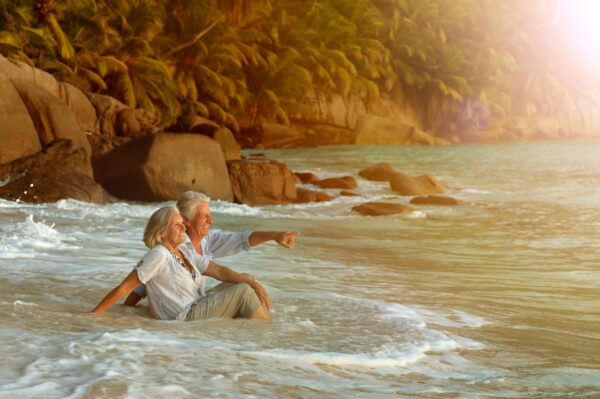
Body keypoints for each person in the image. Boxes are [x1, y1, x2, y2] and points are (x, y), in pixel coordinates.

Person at [123, 191, 299, 308]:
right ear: (187, 220)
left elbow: (240, 240)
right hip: (185, 312)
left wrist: (274, 236)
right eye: (205, 217)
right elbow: (145, 281)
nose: (211, 221)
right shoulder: (178, 248)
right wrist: (126, 310)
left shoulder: (206, 240)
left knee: (246, 281)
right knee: (245, 288)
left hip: (197, 301)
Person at [92, 206, 271, 320]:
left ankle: (248, 334)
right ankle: (265, 336)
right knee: (243, 291)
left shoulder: (184, 250)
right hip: (185, 317)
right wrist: (93, 315)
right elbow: (126, 287)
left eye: (182, 224)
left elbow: (219, 271)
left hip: (199, 303)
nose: (184, 228)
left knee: (245, 280)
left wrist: (254, 283)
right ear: (162, 232)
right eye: (177, 225)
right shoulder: (158, 254)